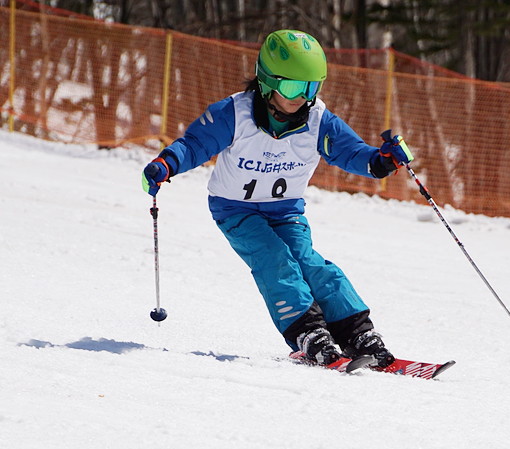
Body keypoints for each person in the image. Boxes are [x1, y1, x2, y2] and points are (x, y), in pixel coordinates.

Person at [141, 29, 414, 367]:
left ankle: (358, 333)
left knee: (311, 264)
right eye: (292, 87)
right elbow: (196, 144)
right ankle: (308, 333)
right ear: (268, 82)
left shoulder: (318, 121)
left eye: (310, 88)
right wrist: (167, 163)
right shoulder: (234, 114)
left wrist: (381, 162)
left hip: (286, 211)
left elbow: (351, 152)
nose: (301, 97)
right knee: (276, 261)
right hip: (235, 210)